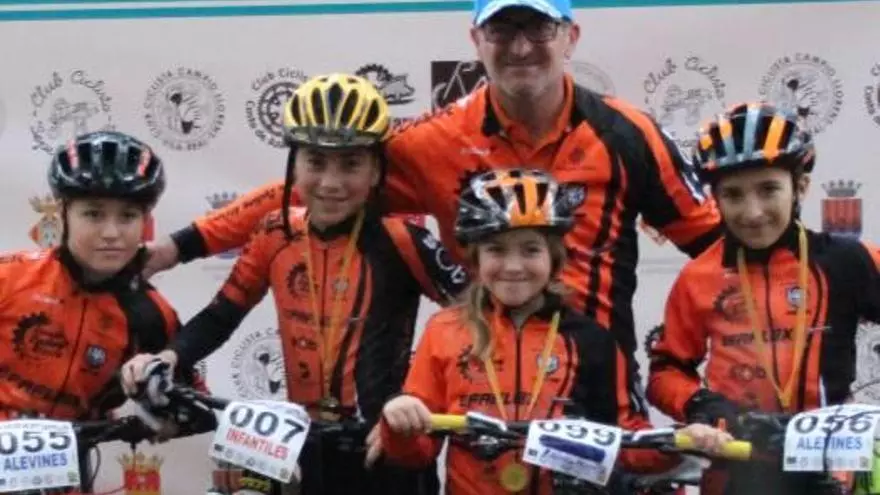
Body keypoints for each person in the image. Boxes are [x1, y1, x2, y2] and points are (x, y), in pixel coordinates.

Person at [139, 0, 721, 424]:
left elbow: (719, 248)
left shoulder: (629, 135)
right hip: (486, 381)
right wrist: (178, 247)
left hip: (596, 378)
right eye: (502, 28)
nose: (521, 46)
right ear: (476, 39)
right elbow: (310, 189)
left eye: (539, 27)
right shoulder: (434, 141)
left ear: (570, 36)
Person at [119, 73, 468, 495]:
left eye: (351, 164)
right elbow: (221, 316)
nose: (331, 183)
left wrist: (427, 394)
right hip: (303, 446)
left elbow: (479, 320)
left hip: (387, 449)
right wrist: (169, 358)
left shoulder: (403, 239)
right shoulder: (275, 232)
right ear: (294, 166)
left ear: (376, 169)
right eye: (315, 162)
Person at [371, 168, 732, 494]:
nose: (514, 266)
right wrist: (398, 424)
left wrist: (678, 442)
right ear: (475, 257)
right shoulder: (444, 331)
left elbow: (625, 445)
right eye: (496, 250)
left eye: (531, 250)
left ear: (555, 257)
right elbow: (416, 454)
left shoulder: (591, 339)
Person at [646, 102, 880, 495]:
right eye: (733, 194)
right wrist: (700, 403)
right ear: (715, 199)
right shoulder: (698, 277)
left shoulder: (848, 261)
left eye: (769, 189)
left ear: (800, 187)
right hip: (737, 468)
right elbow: (665, 371)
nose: (752, 212)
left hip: (831, 468)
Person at [0, 131, 212, 491]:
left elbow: (197, 408)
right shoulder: (10, 278)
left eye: (127, 216)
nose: (111, 232)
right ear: (63, 214)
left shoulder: (151, 314)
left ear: (145, 221)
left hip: (67, 472)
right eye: (93, 214)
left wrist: (157, 404)